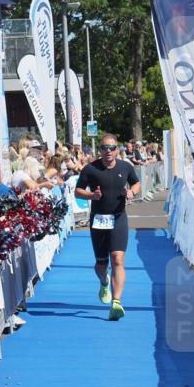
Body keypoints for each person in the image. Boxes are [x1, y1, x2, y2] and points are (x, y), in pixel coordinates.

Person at [74, 134, 140, 321]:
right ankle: (104, 283)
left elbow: (136, 183)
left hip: (119, 218)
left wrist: (132, 192)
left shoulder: (126, 166)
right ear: (100, 150)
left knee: (117, 259)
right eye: (105, 148)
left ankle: (117, 302)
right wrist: (91, 196)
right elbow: (78, 191)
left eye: (112, 148)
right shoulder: (90, 169)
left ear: (117, 149)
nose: (108, 151)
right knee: (102, 264)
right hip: (99, 220)